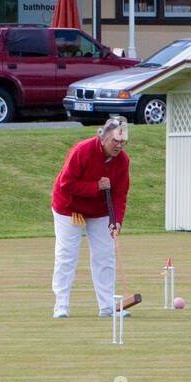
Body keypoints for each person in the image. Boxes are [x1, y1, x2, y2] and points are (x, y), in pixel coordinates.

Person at [51, 117, 130, 318]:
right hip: (70, 208)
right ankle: (61, 306)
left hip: (100, 211)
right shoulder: (81, 151)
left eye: (123, 142)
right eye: (115, 141)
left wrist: (117, 220)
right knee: (67, 256)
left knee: (105, 256)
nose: (119, 146)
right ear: (102, 138)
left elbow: (120, 194)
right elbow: (66, 184)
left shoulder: (123, 161)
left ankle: (107, 306)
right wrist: (96, 187)